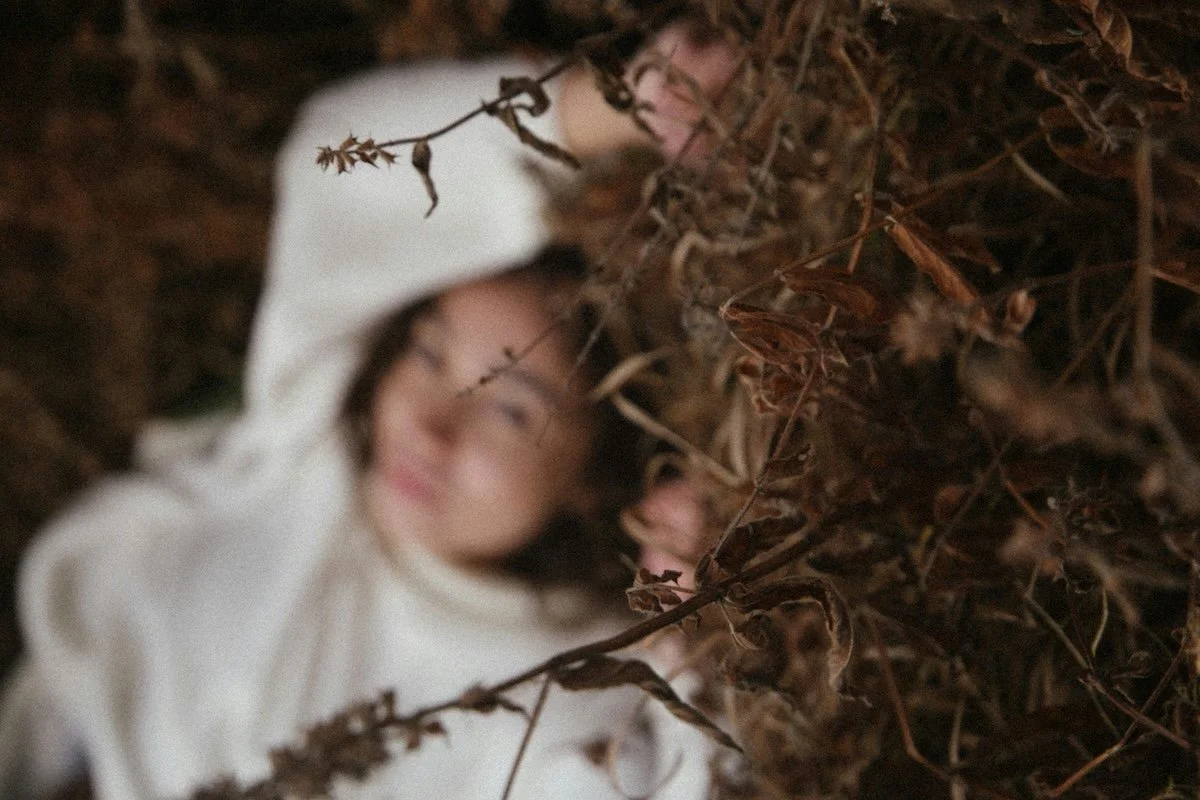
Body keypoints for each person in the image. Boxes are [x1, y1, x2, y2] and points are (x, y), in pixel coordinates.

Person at [0, 19, 739, 800]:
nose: (428, 425)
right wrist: (618, 107)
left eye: (512, 412)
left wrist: (685, 644)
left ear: (592, 476)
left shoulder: (568, 687)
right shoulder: (304, 448)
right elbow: (340, 167)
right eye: (427, 355)